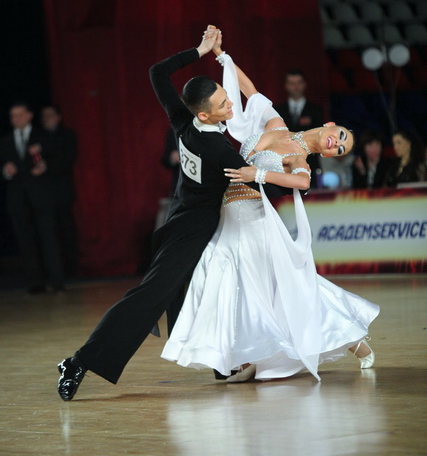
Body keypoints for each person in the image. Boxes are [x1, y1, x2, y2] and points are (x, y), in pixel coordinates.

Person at [57, 27, 288, 400]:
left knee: (216, 288)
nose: (232, 106)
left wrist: (200, 50)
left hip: (191, 223)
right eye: (224, 105)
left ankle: (222, 362)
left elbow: (156, 73)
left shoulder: (183, 121)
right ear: (205, 113)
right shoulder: (220, 151)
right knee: (149, 298)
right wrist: (295, 171)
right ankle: (78, 362)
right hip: (191, 233)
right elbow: (262, 184)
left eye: (227, 97)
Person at [161, 40, 379, 382]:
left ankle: (350, 339)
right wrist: (222, 56)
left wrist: (258, 175)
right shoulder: (276, 126)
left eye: (340, 149)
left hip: (254, 220)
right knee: (236, 285)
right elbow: (250, 91)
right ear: (330, 124)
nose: (336, 143)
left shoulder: (299, 157)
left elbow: (301, 182)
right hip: (228, 216)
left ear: (329, 155)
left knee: (279, 287)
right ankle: (251, 356)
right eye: (340, 136)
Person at [0, 103, 65, 293]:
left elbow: (59, 161)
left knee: (49, 240)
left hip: (41, 197)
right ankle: (36, 283)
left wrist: (46, 166)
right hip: (17, 199)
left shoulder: (43, 136)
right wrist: (6, 171)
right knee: (26, 242)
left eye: (20, 115)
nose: (16, 119)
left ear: (29, 115)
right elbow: (3, 167)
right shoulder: (5, 141)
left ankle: (57, 281)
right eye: (13, 116)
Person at [41, 105, 79, 275]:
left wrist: (47, 166)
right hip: (43, 193)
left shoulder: (68, 135)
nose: (46, 119)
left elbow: (67, 160)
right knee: (48, 232)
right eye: (44, 116)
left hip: (63, 191)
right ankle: (53, 269)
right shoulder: (38, 137)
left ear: (58, 117)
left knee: (66, 229)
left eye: (50, 115)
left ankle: (72, 268)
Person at [274, 69, 323, 187]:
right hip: (283, 164)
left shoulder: (315, 110)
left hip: (310, 164)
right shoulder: (277, 111)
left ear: (304, 84)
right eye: (292, 83)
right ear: (286, 86)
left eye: (299, 82)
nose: (295, 87)